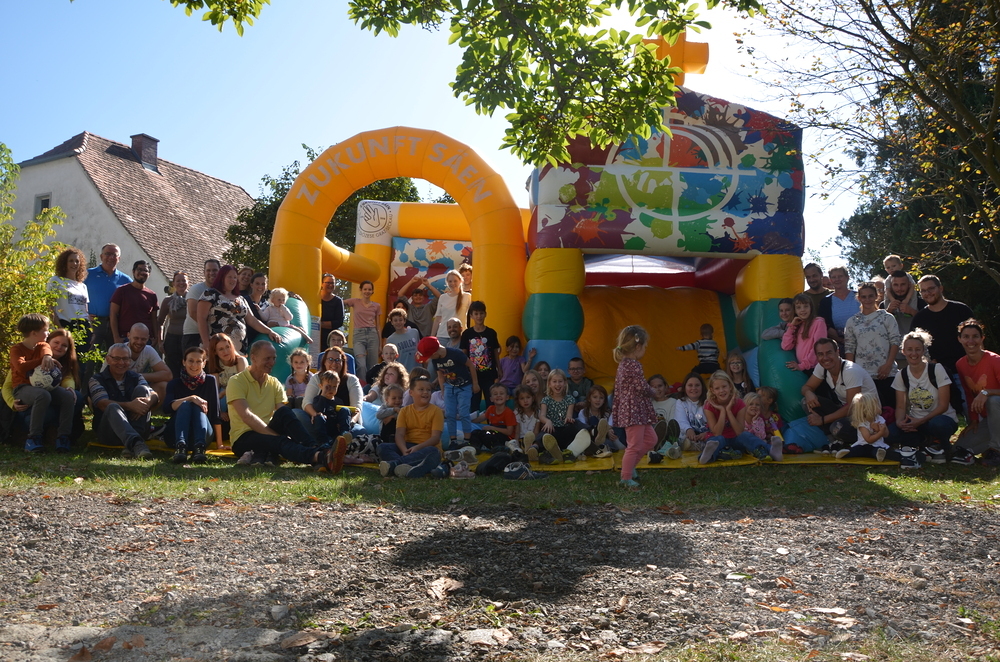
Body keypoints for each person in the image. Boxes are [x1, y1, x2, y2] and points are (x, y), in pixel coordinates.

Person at [227, 340, 346, 473]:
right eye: (267, 358)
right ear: (253, 358)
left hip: (267, 430)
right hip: (243, 437)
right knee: (280, 441)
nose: (272, 362)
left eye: (274, 358)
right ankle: (321, 456)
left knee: (285, 412)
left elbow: (282, 414)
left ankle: (319, 450)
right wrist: (276, 436)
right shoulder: (236, 381)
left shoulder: (274, 383)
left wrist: (278, 435)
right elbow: (246, 416)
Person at [888, 328, 957, 468]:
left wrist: (921, 421)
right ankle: (924, 444)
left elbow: (943, 405)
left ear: (923, 351)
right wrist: (900, 422)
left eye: (917, 349)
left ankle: (942, 445)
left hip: (941, 418)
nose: (913, 354)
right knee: (890, 433)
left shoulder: (936, 369)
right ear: (903, 351)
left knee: (938, 424)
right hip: (915, 421)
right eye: (909, 350)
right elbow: (901, 406)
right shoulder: (901, 375)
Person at [8, 314, 75, 453]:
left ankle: (63, 437)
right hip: (23, 388)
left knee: (67, 396)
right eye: (46, 330)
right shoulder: (16, 349)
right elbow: (21, 367)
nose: (48, 333)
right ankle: (33, 438)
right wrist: (41, 360)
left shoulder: (43, 345)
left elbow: (46, 350)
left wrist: (47, 356)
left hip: (44, 387)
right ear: (34, 333)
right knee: (43, 395)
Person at [911, 275, 975, 414]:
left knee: (972, 412)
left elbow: (976, 340)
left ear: (940, 288)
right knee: (943, 417)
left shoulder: (961, 310)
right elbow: (915, 348)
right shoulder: (919, 319)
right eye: (923, 291)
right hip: (937, 375)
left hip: (965, 371)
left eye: (931, 289)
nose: (928, 293)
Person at [801, 338, 878, 448]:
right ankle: (832, 440)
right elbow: (806, 387)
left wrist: (822, 420)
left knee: (837, 428)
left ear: (837, 352)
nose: (825, 358)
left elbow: (852, 407)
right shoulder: (821, 367)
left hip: (866, 415)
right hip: (844, 410)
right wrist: (808, 393)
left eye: (829, 353)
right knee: (806, 402)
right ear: (817, 357)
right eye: (821, 354)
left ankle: (859, 440)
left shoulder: (850, 371)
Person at [89, 343, 157, 459]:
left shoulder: (137, 377)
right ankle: (136, 443)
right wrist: (130, 406)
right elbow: (102, 403)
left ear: (130, 361)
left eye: (125, 359)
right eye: (116, 359)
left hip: (138, 427)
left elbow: (154, 395)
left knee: (143, 390)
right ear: (108, 359)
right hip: (109, 433)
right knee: (112, 406)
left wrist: (147, 402)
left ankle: (132, 444)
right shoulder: (96, 379)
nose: (121, 363)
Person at [699, 371, 782, 465]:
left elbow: (739, 431)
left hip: (735, 439)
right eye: (717, 388)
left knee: (745, 435)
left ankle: (772, 451)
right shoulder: (709, 405)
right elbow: (717, 432)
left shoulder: (739, 403)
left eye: (724, 386)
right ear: (712, 390)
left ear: (730, 386)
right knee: (716, 440)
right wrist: (722, 411)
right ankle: (707, 456)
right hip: (719, 440)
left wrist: (729, 411)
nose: (721, 391)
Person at [612, 325, 658, 489]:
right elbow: (641, 387)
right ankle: (626, 477)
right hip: (634, 411)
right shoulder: (633, 365)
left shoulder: (624, 365)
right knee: (634, 445)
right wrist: (653, 391)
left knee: (651, 439)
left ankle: (630, 467)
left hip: (638, 411)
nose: (645, 350)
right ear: (637, 346)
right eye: (645, 346)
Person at [198, 264, 280, 352]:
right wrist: (205, 342)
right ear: (222, 277)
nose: (233, 280)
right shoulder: (210, 294)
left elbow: (253, 321)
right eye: (229, 277)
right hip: (218, 346)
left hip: (239, 348)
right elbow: (201, 318)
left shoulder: (240, 299)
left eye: (235, 277)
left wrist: (269, 331)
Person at [377, 375, 446, 478]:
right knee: (382, 447)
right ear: (411, 393)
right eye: (421, 389)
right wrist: (404, 450)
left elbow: (435, 438)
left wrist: (417, 448)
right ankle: (408, 467)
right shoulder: (404, 411)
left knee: (434, 452)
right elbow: (399, 435)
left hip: (426, 448)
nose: (426, 392)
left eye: (428, 390)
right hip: (407, 447)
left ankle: (394, 465)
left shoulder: (436, 411)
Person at [844, 282, 901, 408]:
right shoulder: (852, 322)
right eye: (864, 297)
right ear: (859, 298)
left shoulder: (887, 317)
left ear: (876, 296)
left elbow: (895, 341)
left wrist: (888, 365)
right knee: (869, 411)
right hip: (863, 375)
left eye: (870, 296)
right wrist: (851, 372)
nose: (867, 299)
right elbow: (849, 347)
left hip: (887, 373)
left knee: (890, 409)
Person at [416, 336, 479, 448]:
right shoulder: (435, 360)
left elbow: (471, 365)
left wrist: (475, 383)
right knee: (449, 414)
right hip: (449, 386)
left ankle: (467, 440)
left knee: (464, 413)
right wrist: (443, 391)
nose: (430, 358)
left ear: (435, 352)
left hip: (464, 385)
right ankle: (453, 440)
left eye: (430, 356)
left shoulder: (455, 354)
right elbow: (440, 376)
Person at [953, 319, 1000, 466]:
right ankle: (992, 446)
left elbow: (987, 395)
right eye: (966, 337)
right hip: (990, 420)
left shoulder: (995, 360)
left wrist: (987, 392)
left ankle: (996, 450)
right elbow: (969, 394)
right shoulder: (961, 364)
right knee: (959, 449)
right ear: (960, 339)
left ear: (982, 338)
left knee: (993, 400)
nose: (971, 341)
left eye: (975, 336)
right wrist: (973, 421)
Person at [163, 346, 221, 464]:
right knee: (186, 404)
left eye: (198, 361)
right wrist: (191, 398)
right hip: (176, 434)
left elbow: (215, 414)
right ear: (184, 362)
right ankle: (181, 447)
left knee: (198, 406)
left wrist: (219, 443)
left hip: (202, 433)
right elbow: (166, 408)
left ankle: (200, 448)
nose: (194, 365)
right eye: (190, 361)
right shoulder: (174, 383)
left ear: (204, 363)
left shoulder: (210, 381)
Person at [298, 346, 365, 437]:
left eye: (338, 360)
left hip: (345, 424)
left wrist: (349, 423)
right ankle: (321, 442)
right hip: (320, 421)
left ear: (343, 363)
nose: (334, 363)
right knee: (297, 414)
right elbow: (307, 403)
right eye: (330, 359)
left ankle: (342, 438)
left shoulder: (352, 380)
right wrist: (317, 416)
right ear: (324, 362)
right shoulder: (316, 378)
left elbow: (357, 408)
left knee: (360, 431)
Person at [537, 368, 593, 463]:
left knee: (576, 423)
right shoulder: (545, 400)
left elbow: (569, 415)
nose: (557, 384)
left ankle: (593, 432)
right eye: (554, 381)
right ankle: (537, 448)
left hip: (565, 431)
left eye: (560, 381)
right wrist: (548, 421)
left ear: (565, 383)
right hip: (553, 430)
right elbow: (542, 415)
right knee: (544, 433)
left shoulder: (570, 399)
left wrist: (569, 419)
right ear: (549, 383)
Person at [113, 323, 173, 407]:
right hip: (118, 389)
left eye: (143, 339)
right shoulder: (118, 350)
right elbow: (104, 377)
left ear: (148, 338)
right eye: (136, 338)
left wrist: (137, 376)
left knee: (163, 386)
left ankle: (144, 412)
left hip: (139, 388)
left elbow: (168, 375)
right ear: (128, 335)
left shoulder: (148, 350)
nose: (139, 342)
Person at [86, 244, 132, 352]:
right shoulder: (87, 274)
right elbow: (76, 295)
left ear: (119, 258)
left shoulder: (125, 280)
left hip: (115, 325)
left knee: (115, 355)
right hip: (94, 323)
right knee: (89, 356)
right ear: (101, 256)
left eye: (114, 255)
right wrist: (84, 314)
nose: (111, 257)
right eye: (107, 254)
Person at [834, 392, 901, 462]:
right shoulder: (862, 423)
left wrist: (880, 429)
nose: (880, 405)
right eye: (877, 404)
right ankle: (847, 453)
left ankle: (879, 454)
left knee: (879, 450)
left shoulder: (880, 419)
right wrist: (880, 432)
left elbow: (886, 434)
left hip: (878, 445)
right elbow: (869, 440)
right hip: (864, 445)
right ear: (870, 409)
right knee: (858, 450)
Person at [461, 301, 501, 413]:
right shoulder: (467, 334)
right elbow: (464, 354)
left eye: (481, 313)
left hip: (489, 374)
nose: (479, 316)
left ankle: (491, 422)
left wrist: (499, 369)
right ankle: (474, 424)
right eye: (476, 314)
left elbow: (495, 352)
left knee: (490, 403)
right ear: (471, 315)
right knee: (474, 404)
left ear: (485, 314)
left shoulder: (491, 333)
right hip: (473, 375)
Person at [110, 260, 159, 349]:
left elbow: (154, 319)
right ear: (133, 271)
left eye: (145, 270)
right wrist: (116, 337)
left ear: (149, 274)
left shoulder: (152, 295)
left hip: (145, 340)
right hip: (125, 338)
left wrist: (156, 338)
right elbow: (113, 314)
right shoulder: (122, 291)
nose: (142, 273)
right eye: (139, 270)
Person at [344, 280, 382, 381]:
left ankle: (371, 386)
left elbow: (378, 325)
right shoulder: (355, 301)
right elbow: (340, 302)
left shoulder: (376, 306)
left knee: (373, 365)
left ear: (372, 291)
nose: (367, 291)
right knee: (361, 364)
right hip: (359, 334)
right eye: (365, 289)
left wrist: (380, 344)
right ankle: (362, 385)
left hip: (372, 334)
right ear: (361, 290)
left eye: (369, 289)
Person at [207, 333, 247, 426]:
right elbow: (215, 389)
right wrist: (219, 411)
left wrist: (224, 393)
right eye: (221, 349)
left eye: (227, 347)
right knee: (215, 397)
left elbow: (243, 384)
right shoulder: (215, 364)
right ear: (215, 352)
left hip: (240, 393)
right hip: (224, 396)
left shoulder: (240, 361)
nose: (226, 351)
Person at [781, 293, 828, 373]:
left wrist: (802, 366)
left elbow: (818, 348)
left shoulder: (818, 322)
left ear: (811, 307)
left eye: (806, 306)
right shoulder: (798, 324)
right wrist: (791, 327)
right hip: (804, 367)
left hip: (815, 368)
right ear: (795, 310)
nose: (802, 310)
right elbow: (786, 346)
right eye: (798, 307)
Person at [49, 247, 90, 337]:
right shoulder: (56, 281)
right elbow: (50, 308)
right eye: (71, 261)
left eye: (77, 261)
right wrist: (59, 329)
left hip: (83, 327)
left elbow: (85, 310)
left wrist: (91, 331)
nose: (74, 264)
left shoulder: (82, 286)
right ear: (64, 263)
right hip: (65, 324)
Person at [157, 271, 189, 382]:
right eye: (178, 281)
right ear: (173, 284)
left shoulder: (193, 300)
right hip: (172, 340)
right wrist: (160, 341)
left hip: (188, 339)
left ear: (188, 283)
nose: (181, 283)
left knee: (188, 369)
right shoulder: (168, 301)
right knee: (172, 371)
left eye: (183, 280)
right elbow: (159, 322)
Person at [183, 258, 220, 352]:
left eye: (215, 270)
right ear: (204, 272)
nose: (211, 273)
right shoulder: (196, 289)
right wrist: (211, 328)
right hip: (194, 334)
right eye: (208, 270)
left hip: (216, 335)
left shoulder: (223, 291)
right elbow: (193, 312)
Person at [818, 266, 859, 348]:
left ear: (847, 278)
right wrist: (841, 340)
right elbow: (825, 325)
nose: (837, 279)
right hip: (840, 344)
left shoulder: (859, 296)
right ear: (830, 280)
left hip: (862, 339)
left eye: (840, 276)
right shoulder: (826, 302)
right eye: (834, 277)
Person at [309, 371, 355, 441]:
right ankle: (324, 442)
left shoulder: (339, 401)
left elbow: (342, 416)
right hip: (325, 426)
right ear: (321, 386)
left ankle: (345, 434)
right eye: (328, 387)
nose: (331, 389)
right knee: (319, 417)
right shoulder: (318, 399)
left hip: (335, 427)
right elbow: (319, 409)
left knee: (345, 410)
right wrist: (323, 395)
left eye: (334, 387)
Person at [469, 383, 517, 451]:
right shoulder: (491, 409)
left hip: (504, 436)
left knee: (490, 435)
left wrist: (491, 428)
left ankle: (499, 448)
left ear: (507, 397)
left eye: (501, 393)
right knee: (476, 432)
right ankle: (474, 448)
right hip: (492, 432)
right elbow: (480, 418)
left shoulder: (508, 412)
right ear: (491, 399)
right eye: (495, 394)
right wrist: (468, 420)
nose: (498, 396)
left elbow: (509, 432)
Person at [882, 270, 925, 340]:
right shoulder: (883, 305)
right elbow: (879, 328)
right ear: (891, 286)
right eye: (895, 285)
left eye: (903, 284)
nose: (899, 288)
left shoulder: (920, 302)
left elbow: (927, 322)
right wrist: (889, 311)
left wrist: (912, 311)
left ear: (909, 285)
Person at [674, 373, 710, 453]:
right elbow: (681, 420)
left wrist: (707, 433)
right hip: (688, 437)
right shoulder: (680, 402)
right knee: (683, 438)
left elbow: (714, 421)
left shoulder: (709, 402)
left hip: (705, 435)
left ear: (702, 387)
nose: (694, 388)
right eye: (690, 385)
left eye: (697, 385)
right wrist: (688, 429)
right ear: (685, 387)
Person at [577, 384, 620, 452]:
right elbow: (583, 428)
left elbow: (610, 426)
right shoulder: (583, 412)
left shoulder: (608, 413)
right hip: (589, 438)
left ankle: (602, 446)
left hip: (605, 439)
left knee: (613, 432)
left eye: (601, 398)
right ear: (589, 399)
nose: (598, 400)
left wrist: (609, 431)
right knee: (593, 419)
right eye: (595, 397)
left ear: (604, 400)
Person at [431, 270, 469, 341]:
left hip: (460, 336)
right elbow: (438, 319)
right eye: (450, 281)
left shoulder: (467, 297)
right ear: (447, 283)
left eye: (455, 281)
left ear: (461, 281)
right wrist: (432, 336)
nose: (452, 283)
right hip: (442, 335)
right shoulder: (442, 297)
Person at [319, 273, 345, 353]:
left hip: (330, 339)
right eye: (328, 283)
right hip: (315, 335)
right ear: (322, 284)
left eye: (333, 283)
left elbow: (339, 322)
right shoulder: (315, 298)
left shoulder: (338, 301)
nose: (330, 285)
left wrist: (320, 324)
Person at [512, 384, 540, 453]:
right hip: (522, 439)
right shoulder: (517, 412)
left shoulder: (538, 412)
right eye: (522, 398)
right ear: (518, 400)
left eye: (528, 397)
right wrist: (516, 444)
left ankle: (530, 450)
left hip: (533, 439)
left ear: (533, 398)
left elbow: (536, 431)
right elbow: (517, 431)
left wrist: (533, 441)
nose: (525, 401)